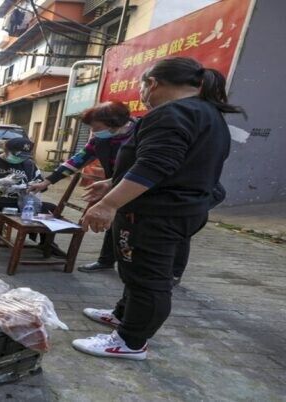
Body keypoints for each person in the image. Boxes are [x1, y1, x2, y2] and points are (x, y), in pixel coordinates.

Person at [71, 57, 245, 360]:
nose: (141, 91)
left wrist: (108, 204)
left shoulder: (171, 113)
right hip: (180, 210)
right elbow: (172, 163)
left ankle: (130, 341)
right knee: (138, 272)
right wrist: (112, 183)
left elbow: (155, 165)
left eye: (142, 84)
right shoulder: (206, 113)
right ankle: (123, 315)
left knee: (148, 279)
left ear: (152, 83)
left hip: (155, 215)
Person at [29, 102, 136, 273]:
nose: (94, 131)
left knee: (134, 228)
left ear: (115, 123)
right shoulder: (101, 139)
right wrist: (47, 181)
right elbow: (77, 160)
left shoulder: (140, 134)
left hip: (139, 186)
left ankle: (161, 271)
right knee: (115, 222)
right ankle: (106, 260)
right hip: (114, 184)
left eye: (97, 127)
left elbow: (146, 166)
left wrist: (112, 182)